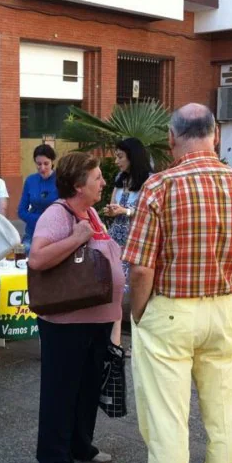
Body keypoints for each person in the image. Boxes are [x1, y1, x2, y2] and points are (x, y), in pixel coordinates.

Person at [121, 104, 232, 463]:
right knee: (224, 422)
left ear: (171, 137)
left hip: (170, 311)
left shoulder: (160, 185)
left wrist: (138, 313)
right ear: (216, 134)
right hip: (224, 309)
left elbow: (143, 267)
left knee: (167, 423)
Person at [28, 152, 124, 463]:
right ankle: (53, 460)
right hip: (66, 321)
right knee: (61, 389)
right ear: (78, 183)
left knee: (86, 387)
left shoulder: (92, 212)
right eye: (96, 177)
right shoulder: (58, 214)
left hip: (95, 317)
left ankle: (81, 445)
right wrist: (76, 238)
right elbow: (37, 259)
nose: (102, 182)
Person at [103, 137, 152, 346]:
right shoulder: (119, 178)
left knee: (137, 288)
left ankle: (139, 339)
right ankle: (115, 341)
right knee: (115, 287)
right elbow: (114, 203)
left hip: (137, 240)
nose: (116, 161)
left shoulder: (150, 180)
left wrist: (127, 211)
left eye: (120, 157)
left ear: (132, 157)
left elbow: (150, 212)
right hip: (117, 237)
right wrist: (111, 210)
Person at [18, 144, 58, 254]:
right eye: (39, 164)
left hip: (55, 232)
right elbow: (21, 211)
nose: (42, 168)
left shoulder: (60, 180)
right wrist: (40, 219)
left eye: (46, 164)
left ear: (52, 161)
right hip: (32, 232)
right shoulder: (30, 181)